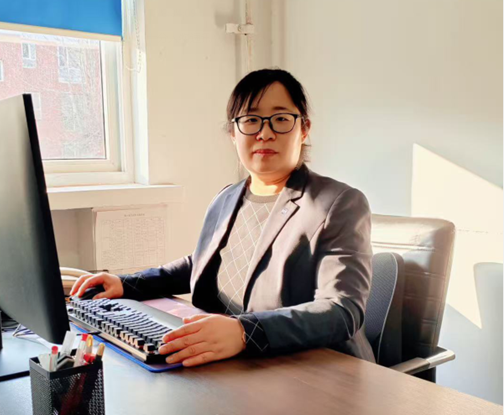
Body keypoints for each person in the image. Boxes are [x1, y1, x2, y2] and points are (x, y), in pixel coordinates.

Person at [70, 68, 375, 367]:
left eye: (281, 119)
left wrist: (244, 332)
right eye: (251, 120)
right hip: (237, 363)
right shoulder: (227, 197)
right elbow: (200, 263)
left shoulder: (338, 204)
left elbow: (342, 310)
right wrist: (126, 284)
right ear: (233, 133)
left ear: (304, 128)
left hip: (318, 369)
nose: (265, 133)